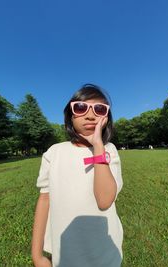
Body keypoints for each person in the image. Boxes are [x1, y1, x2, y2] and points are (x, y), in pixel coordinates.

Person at [31, 84, 123, 267]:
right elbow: (44, 200)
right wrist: (37, 254)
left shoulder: (108, 150)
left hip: (105, 253)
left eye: (99, 109)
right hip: (65, 253)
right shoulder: (54, 153)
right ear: (70, 116)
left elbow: (104, 201)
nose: (90, 115)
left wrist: (98, 146)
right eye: (80, 108)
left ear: (106, 118)